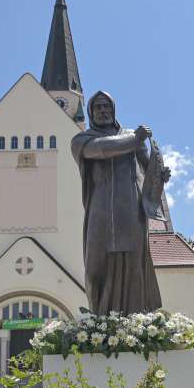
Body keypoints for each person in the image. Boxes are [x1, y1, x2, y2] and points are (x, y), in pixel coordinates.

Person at [71, 91, 169, 315]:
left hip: (130, 209)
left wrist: (160, 174)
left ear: (113, 110)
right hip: (100, 208)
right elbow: (102, 149)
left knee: (134, 262)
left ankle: (136, 318)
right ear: (91, 112)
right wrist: (135, 138)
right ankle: (99, 318)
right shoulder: (82, 140)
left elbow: (147, 166)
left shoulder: (133, 138)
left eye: (106, 107)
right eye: (98, 107)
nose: (103, 111)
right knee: (96, 266)